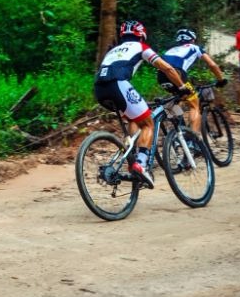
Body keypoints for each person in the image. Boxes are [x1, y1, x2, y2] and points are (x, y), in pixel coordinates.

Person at [94, 20, 190, 189]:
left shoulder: (114, 50)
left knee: (134, 119)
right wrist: (182, 87)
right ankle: (141, 164)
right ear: (141, 35)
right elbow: (167, 69)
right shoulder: (141, 46)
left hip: (99, 89)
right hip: (118, 84)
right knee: (148, 124)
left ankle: (132, 160)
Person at [157, 28, 228, 134]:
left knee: (179, 99)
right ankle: (192, 138)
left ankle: (177, 129)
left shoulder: (171, 50)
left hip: (161, 76)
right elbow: (212, 65)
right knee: (194, 105)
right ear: (192, 40)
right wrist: (221, 79)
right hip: (177, 74)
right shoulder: (195, 47)